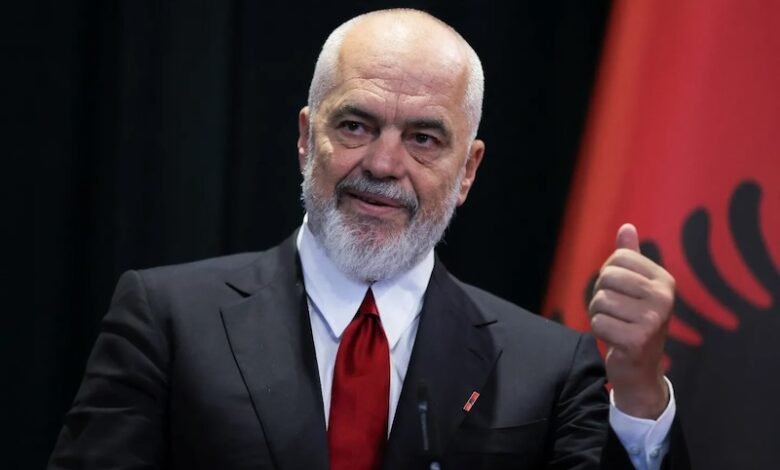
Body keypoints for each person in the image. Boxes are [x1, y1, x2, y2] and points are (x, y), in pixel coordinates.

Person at [49, 9, 688, 470]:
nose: (383, 165)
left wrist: (637, 390)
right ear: (307, 138)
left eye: (423, 138)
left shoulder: (547, 367)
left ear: (467, 171)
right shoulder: (168, 320)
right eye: (355, 126)